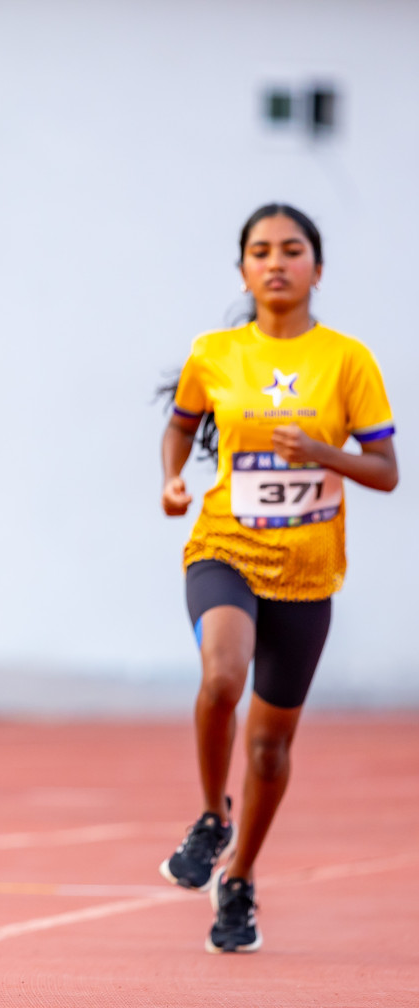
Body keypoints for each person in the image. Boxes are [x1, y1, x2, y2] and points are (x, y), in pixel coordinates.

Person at [158, 204, 397, 954]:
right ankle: (209, 817)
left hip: (307, 575)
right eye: (260, 251)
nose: (276, 262)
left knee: (268, 747)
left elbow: (387, 472)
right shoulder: (215, 353)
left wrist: (324, 452)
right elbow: (181, 424)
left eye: (292, 250)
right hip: (223, 547)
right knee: (221, 677)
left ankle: (241, 880)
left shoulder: (348, 361)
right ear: (243, 271)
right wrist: (172, 479)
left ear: (316, 269)